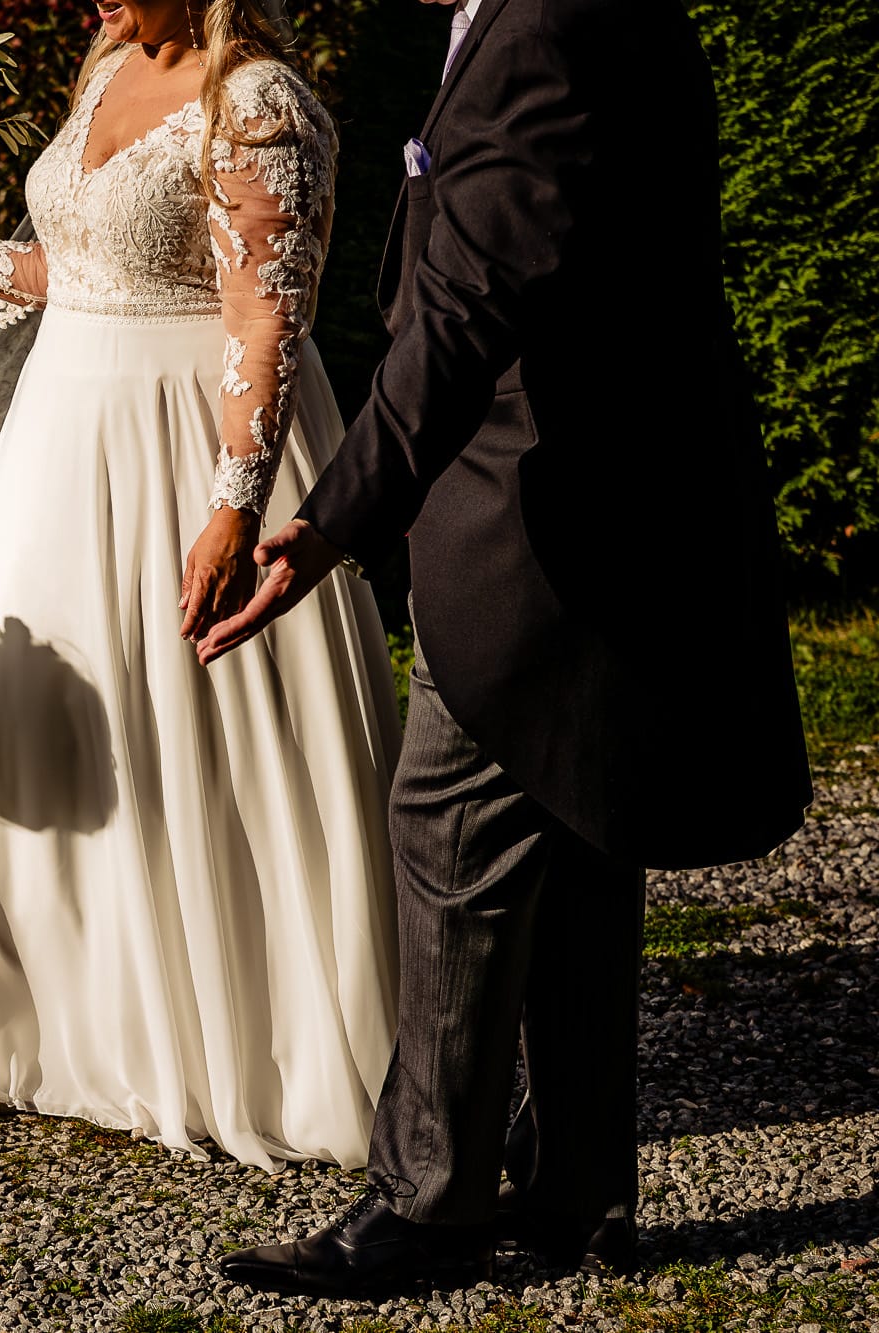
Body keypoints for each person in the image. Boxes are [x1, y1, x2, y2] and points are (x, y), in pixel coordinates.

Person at [203, 0, 812, 1295]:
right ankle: (580, 1193)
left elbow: (468, 312)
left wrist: (326, 519)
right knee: (579, 829)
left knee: (446, 821)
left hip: (544, 519)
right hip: (625, 508)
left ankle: (428, 1206)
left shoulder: (538, 26)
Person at [0, 0, 405, 1170]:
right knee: (9, 719)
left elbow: (264, 315)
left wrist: (233, 504)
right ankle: (25, 1013)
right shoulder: (107, 65)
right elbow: (82, 266)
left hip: (190, 443)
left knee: (195, 723)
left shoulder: (258, 102)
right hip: (60, 437)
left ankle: (232, 1034)